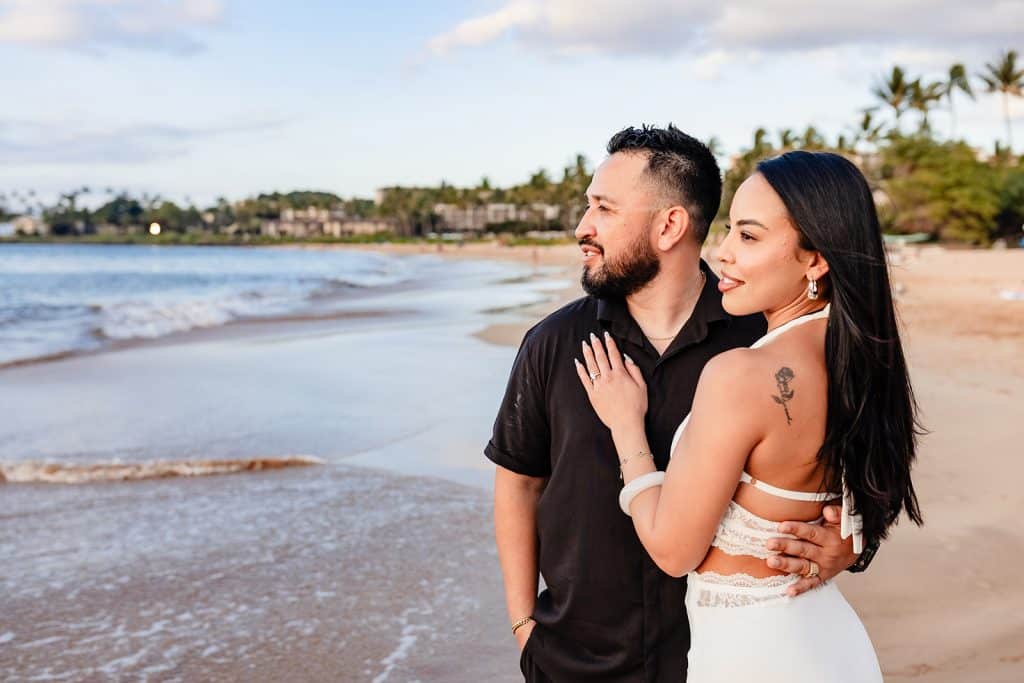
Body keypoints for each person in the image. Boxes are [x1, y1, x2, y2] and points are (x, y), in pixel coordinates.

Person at [486, 126, 869, 682]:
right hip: (576, 663)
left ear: (669, 225)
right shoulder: (552, 343)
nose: (582, 227)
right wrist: (524, 626)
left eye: (604, 208)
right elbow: (518, 483)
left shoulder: (761, 344)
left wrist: (850, 544)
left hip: (715, 655)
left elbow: (853, 469)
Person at [576, 150, 922, 680]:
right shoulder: (862, 358)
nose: (724, 254)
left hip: (755, 653)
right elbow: (871, 494)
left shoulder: (741, 373)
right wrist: (851, 544)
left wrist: (626, 425)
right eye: (730, 230)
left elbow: (672, 550)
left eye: (750, 236)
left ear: (816, 259)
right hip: (828, 641)